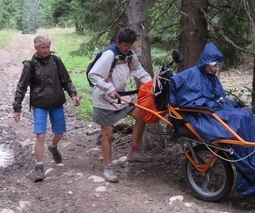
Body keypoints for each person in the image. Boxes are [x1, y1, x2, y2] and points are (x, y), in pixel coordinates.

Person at [168, 42, 255, 197]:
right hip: (201, 116)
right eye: (214, 65)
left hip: (214, 112)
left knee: (246, 115)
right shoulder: (192, 76)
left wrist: (231, 103)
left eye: (218, 65)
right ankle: (254, 169)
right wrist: (214, 104)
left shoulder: (211, 77)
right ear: (206, 62)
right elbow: (190, 101)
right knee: (241, 117)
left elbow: (219, 98)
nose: (216, 68)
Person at [88, 28, 153, 183]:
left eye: (129, 45)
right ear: (118, 42)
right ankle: (108, 167)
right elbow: (93, 74)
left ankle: (134, 151)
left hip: (121, 97)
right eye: (124, 45)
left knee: (142, 116)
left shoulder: (130, 55)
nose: (127, 48)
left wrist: (151, 84)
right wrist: (109, 88)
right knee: (108, 133)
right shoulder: (109, 55)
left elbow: (138, 70)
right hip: (104, 98)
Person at [13, 35, 80, 182]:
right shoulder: (30, 65)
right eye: (43, 48)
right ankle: (39, 166)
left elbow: (66, 80)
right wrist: (17, 108)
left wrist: (73, 94)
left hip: (56, 102)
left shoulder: (56, 61)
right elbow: (21, 87)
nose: (46, 50)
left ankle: (53, 146)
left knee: (60, 133)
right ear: (36, 48)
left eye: (48, 47)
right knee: (40, 135)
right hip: (40, 104)